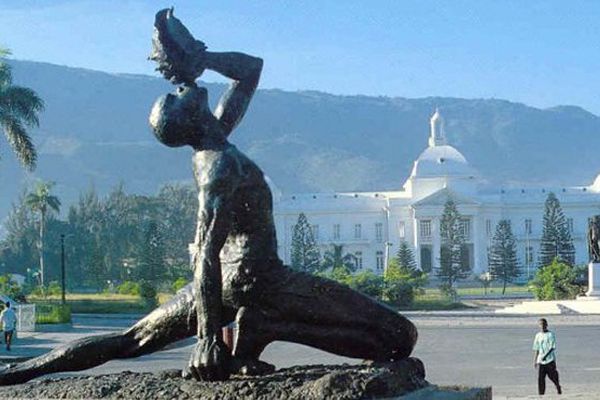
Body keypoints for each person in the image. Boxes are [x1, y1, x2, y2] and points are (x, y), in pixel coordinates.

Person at [0, 9, 418, 385]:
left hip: (233, 283)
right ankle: (270, 324)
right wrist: (207, 340)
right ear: (187, 117)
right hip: (257, 280)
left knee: (130, 340)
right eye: (177, 95)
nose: (183, 87)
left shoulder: (217, 135)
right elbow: (205, 252)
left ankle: (15, 374)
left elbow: (250, 71)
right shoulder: (217, 165)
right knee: (400, 337)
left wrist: (205, 57)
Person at [533, 318, 561, 395]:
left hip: (550, 360)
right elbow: (536, 348)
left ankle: (558, 386)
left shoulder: (550, 334)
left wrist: (546, 356)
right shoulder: (538, 335)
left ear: (547, 325)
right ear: (539, 325)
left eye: (544, 324)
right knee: (541, 378)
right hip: (540, 361)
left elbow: (552, 347)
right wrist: (535, 360)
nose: (542, 326)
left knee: (552, 376)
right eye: (541, 324)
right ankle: (541, 394)